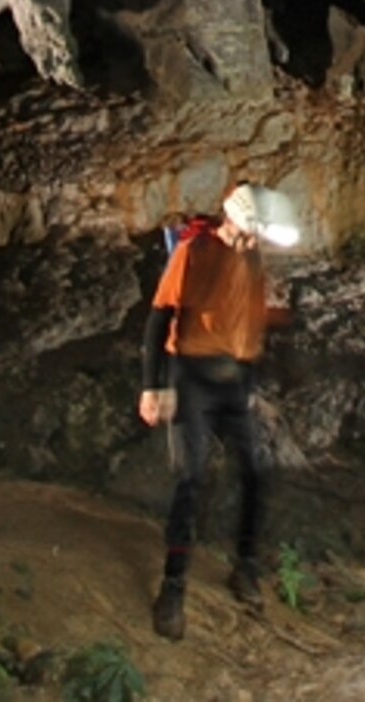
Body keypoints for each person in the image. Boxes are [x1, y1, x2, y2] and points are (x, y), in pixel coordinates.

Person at [139, 181, 301, 640]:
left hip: (233, 382)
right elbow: (159, 319)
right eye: (252, 233)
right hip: (190, 377)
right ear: (235, 221)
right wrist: (153, 387)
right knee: (192, 478)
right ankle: (173, 588)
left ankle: (245, 565)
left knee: (255, 471)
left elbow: (249, 327)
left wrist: (249, 387)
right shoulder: (193, 252)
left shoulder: (251, 256)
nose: (256, 243)